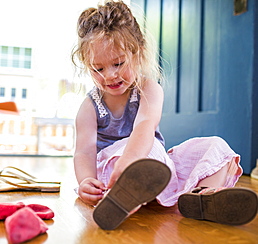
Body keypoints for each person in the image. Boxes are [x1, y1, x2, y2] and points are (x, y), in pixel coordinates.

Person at [72, 0, 257, 230]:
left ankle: (203, 196)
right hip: (114, 175)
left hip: (157, 167)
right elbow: (84, 151)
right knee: (146, 152)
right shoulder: (89, 107)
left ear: (138, 53)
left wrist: (132, 159)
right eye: (98, 69)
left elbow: (145, 127)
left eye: (118, 63)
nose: (109, 75)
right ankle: (121, 200)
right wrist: (86, 181)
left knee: (216, 146)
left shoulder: (149, 89)